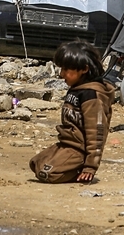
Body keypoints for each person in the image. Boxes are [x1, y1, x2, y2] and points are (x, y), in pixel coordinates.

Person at [29, 40, 115, 183]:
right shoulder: (76, 88)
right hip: (66, 144)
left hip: (79, 150)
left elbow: (96, 132)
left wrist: (90, 166)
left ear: (84, 69)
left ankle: (78, 170)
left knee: (48, 174)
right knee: (35, 163)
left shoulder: (91, 95)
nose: (61, 74)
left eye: (66, 70)